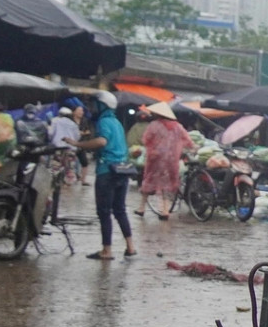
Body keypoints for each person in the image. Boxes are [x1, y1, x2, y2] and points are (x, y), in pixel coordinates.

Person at [78, 91, 136, 260]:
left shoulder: (103, 122)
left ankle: (107, 250)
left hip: (107, 172)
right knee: (120, 210)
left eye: (94, 104)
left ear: (102, 105)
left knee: (104, 212)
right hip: (122, 171)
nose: (92, 108)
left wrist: (79, 144)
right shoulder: (117, 122)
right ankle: (130, 246)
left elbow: (101, 142)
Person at [137, 103, 194, 219]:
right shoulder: (178, 127)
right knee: (168, 184)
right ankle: (165, 211)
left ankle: (141, 208)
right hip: (172, 160)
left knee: (149, 180)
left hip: (156, 159)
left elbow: (145, 139)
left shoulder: (154, 125)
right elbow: (188, 141)